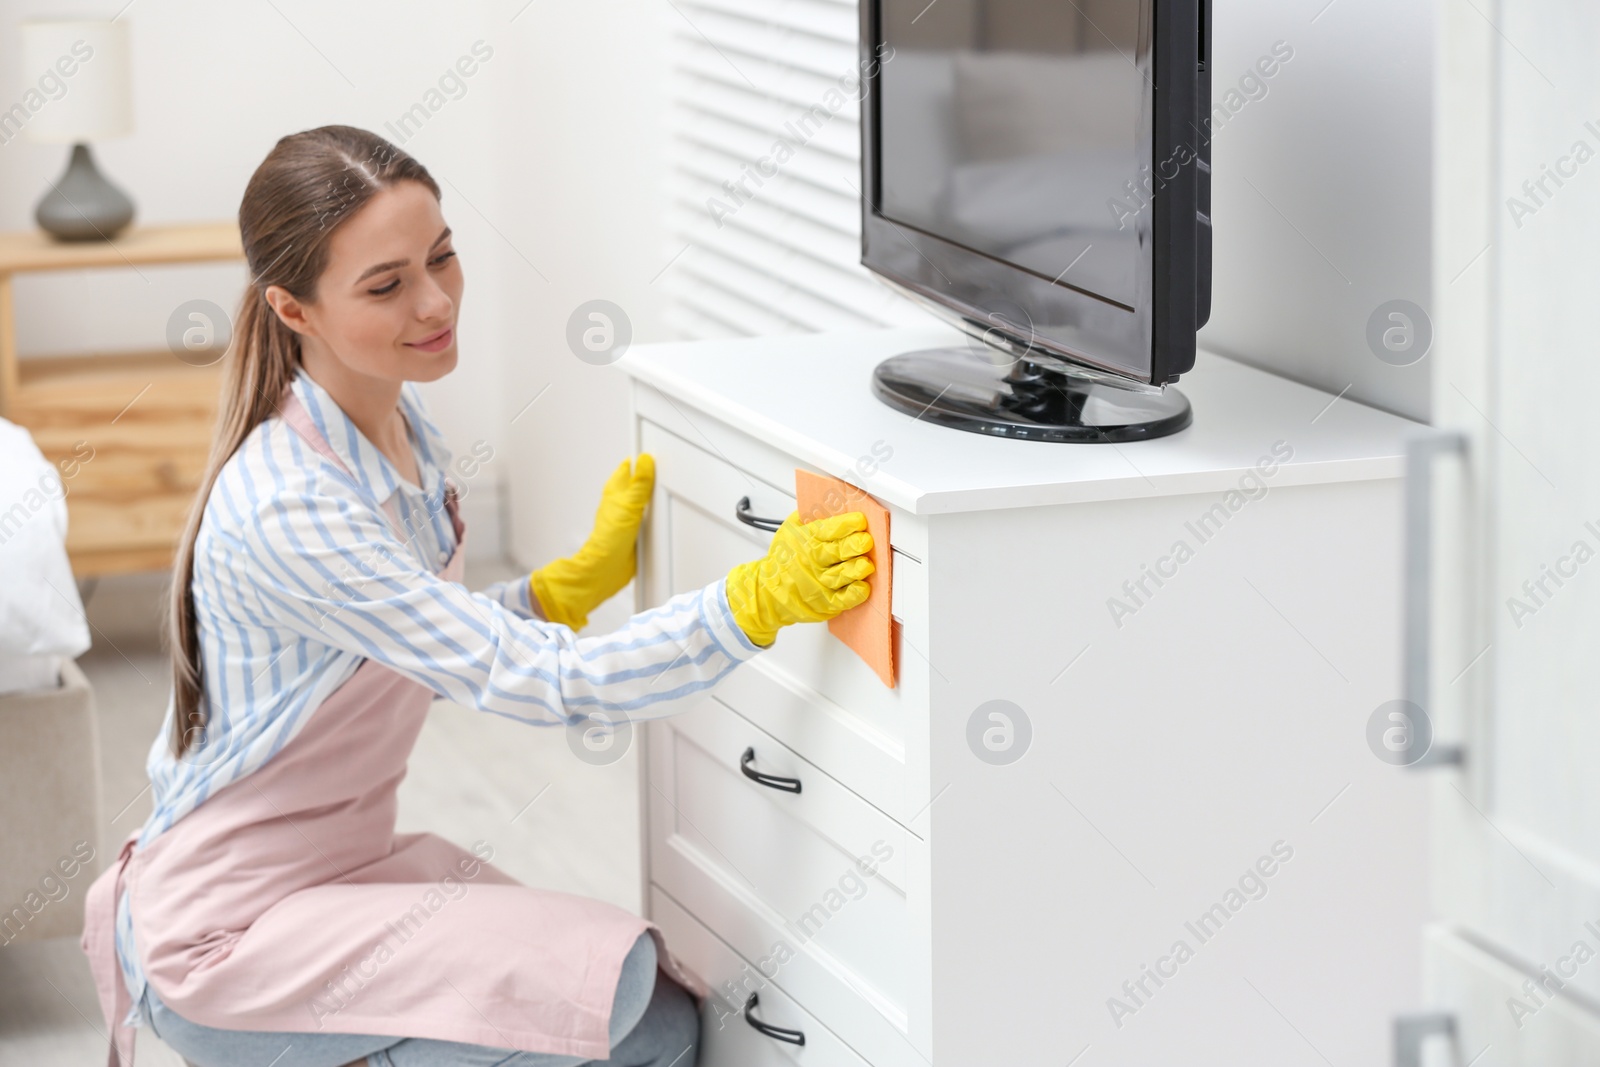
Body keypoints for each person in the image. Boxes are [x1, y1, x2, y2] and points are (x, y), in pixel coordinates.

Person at [79, 125, 875, 1067]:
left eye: (443, 257)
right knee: (644, 1028)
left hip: (338, 872)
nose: (435, 302)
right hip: (235, 936)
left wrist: (551, 592)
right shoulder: (292, 503)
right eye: (386, 285)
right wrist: (750, 604)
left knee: (640, 998)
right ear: (294, 310)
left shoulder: (396, 419)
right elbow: (544, 686)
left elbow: (401, 640)